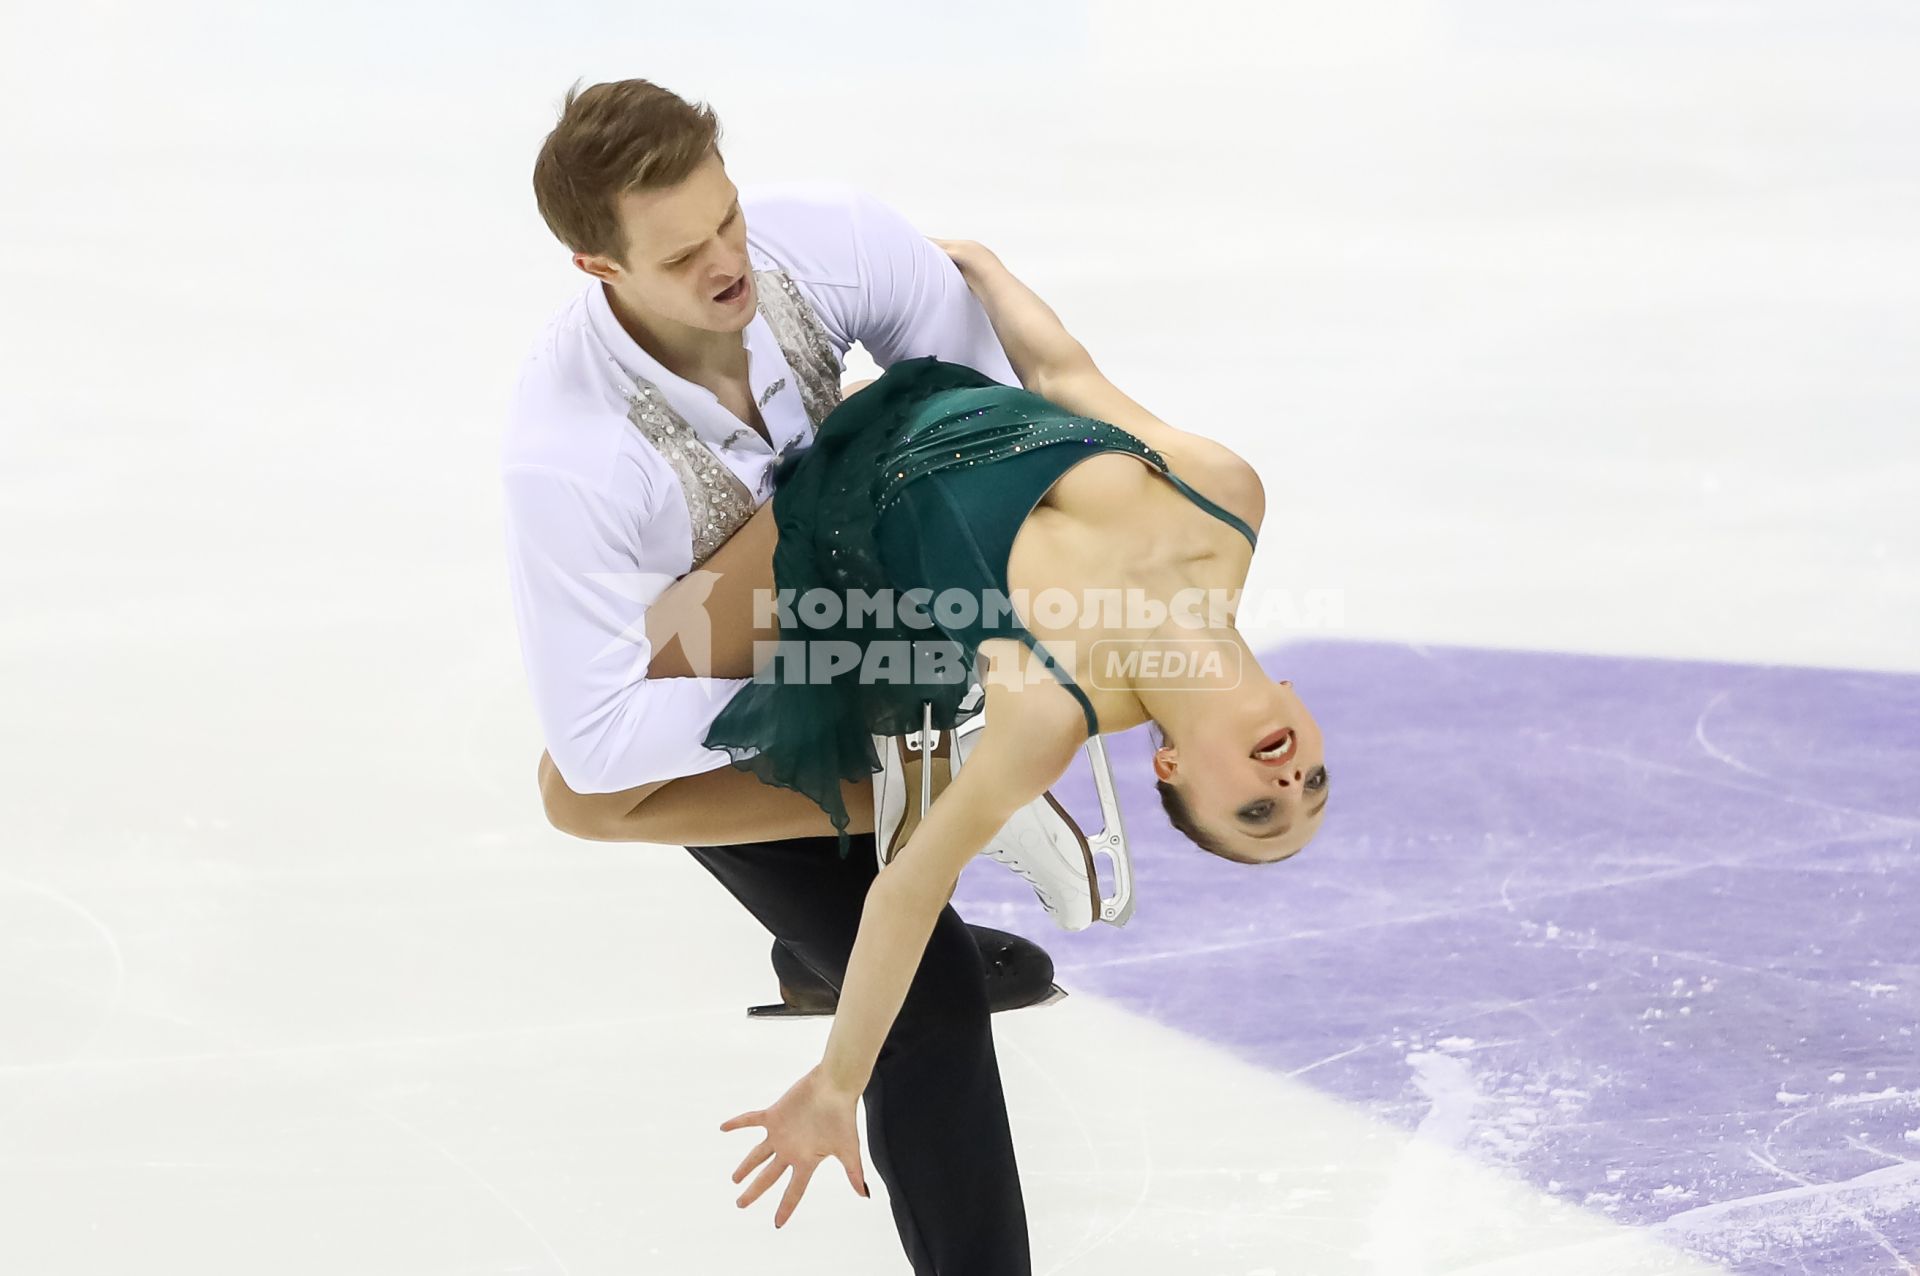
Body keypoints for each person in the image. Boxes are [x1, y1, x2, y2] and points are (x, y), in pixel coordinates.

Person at [549, 238, 1336, 1240]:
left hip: (841, 533)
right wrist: (990, 272)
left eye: (1259, 810)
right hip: (914, 401)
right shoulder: (1229, 500)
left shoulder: (1050, 708)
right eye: (1315, 779)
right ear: (1301, 705)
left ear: (1169, 769)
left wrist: (840, 1080)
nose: (1290, 778)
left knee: (578, 795)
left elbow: (911, 891)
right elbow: (1064, 376)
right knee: (594, 771)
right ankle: (933, 782)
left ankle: (950, 786)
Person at [504, 78, 1085, 1274]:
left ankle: (903, 838)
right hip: (724, 690)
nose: (727, 261)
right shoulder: (572, 455)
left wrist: (978, 650)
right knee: (923, 999)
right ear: (596, 267)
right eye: (681, 254)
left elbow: (991, 423)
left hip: (887, 605)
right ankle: (933, 805)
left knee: (905, 423)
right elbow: (607, 738)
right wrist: (861, 719)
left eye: (728, 218)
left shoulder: (825, 240)